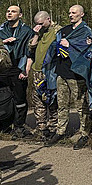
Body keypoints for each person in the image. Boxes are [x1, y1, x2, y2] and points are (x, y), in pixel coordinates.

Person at [45, 5, 92, 149]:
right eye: (69, 12)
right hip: (62, 72)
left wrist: (70, 44)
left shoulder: (85, 31)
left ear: (82, 14)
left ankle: (85, 133)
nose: (71, 15)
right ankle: (61, 131)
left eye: (74, 13)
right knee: (62, 104)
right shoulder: (63, 30)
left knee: (81, 106)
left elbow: (87, 48)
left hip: (76, 75)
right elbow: (55, 45)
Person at [0, 5, 35, 138]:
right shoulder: (1, 29)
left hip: (18, 67)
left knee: (19, 98)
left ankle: (19, 126)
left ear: (20, 15)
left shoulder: (26, 31)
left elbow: (31, 52)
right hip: (2, 67)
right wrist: (4, 42)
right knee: (4, 96)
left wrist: (26, 70)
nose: (9, 13)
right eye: (8, 11)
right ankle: (5, 124)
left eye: (13, 11)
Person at [25, 11, 60, 140]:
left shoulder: (57, 30)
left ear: (48, 19)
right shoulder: (38, 33)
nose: (39, 26)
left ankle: (53, 127)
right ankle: (41, 128)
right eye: (36, 24)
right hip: (37, 71)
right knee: (38, 100)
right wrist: (35, 33)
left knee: (51, 99)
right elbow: (31, 48)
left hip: (50, 71)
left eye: (41, 23)